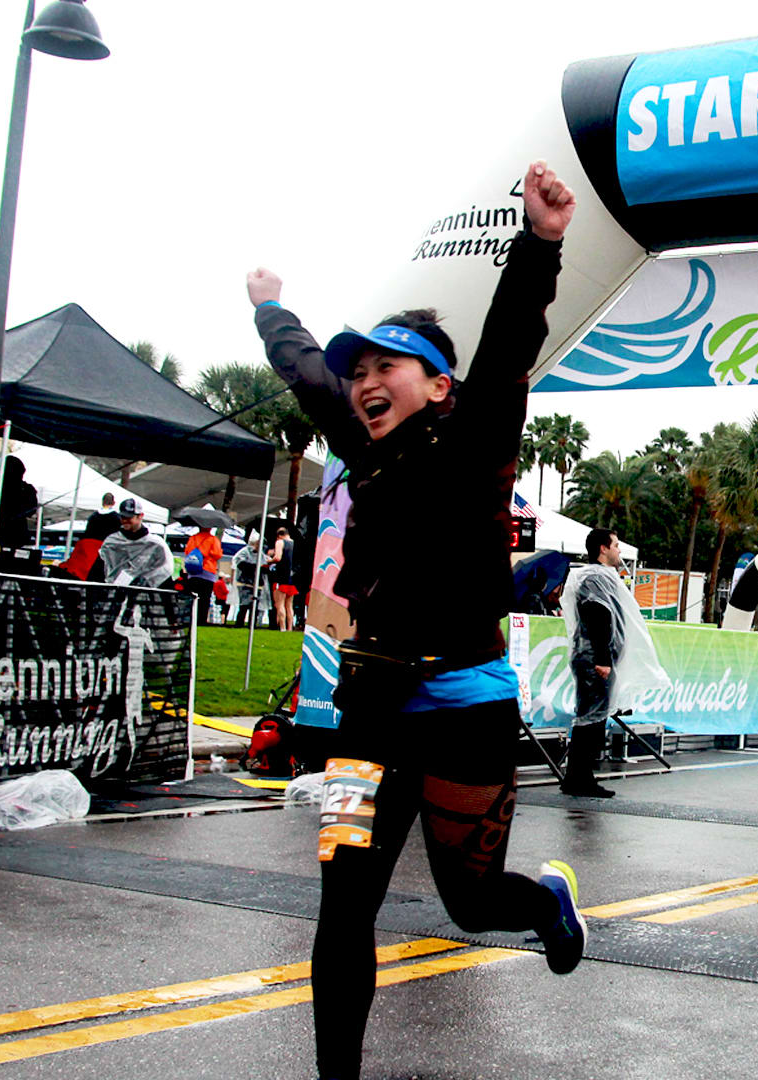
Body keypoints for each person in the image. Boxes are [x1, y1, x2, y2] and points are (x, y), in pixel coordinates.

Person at [246, 159, 587, 1080]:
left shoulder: (476, 438)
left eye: (385, 367)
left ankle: (546, 901)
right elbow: (308, 374)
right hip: (367, 712)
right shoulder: (360, 441)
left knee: (471, 904)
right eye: (360, 371)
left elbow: (512, 336)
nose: (363, 382)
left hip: (467, 709)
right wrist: (271, 310)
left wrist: (541, 242)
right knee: (343, 908)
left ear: (437, 385)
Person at [564, 528, 631, 798]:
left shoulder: (599, 576)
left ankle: (577, 777)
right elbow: (597, 612)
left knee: (592, 717)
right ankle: (581, 779)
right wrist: (603, 658)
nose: (618, 551)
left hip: (594, 655)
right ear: (603, 548)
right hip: (594, 657)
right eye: (615, 545)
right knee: (590, 720)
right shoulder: (594, 577)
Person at [87, 497, 171, 588]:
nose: (125, 520)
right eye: (123, 517)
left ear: (140, 516)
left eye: (129, 517)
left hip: (143, 596)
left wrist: (147, 579)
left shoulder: (156, 544)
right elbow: (97, 571)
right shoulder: (112, 542)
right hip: (113, 595)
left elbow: (165, 570)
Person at [182, 523, 223, 626]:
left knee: (192, 596)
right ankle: (201, 620)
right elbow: (217, 554)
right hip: (207, 570)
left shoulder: (193, 538)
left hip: (193, 570)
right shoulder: (213, 539)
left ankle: (190, 618)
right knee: (205, 598)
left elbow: (187, 551)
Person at [267, 526, 297, 631]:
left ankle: (282, 628)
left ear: (279, 536)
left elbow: (278, 557)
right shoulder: (295, 543)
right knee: (289, 605)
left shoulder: (280, 542)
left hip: (281, 576)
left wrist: (269, 560)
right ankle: (290, 628)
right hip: (292, 578)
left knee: (280, 604)